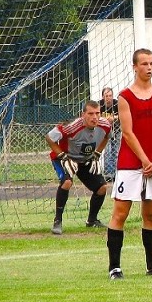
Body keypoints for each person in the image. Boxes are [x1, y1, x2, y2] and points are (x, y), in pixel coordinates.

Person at [106, 48, 152, 280]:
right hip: (131, 163)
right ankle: (114, 267)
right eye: (144, 64)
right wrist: (145, 160)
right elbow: (127, 132)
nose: (149, 67)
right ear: (135, 67)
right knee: (121, 212)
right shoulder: (125, 96)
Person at [45, 100, 111, 234]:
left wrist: (97, 153)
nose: (95, 117)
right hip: (65, 158)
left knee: (102, 187)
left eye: (97, 113)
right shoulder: (72, 127)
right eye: (91, 113)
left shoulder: (105, 125)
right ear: (83, 115)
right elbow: (49, 137)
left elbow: (106, 137)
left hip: (84, 160)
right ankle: (57, 221)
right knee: (67, 182)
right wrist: (63, 156)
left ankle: (92, 221)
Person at [99, 87, 120, 182]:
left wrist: (114, 118)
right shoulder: (99, 104)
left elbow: (123, 115)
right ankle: (108, 174)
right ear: (103, 97)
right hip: (104, 132)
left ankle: (116, 173)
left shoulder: (117, 103)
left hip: (116, 131)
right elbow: (96, 116)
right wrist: (104, 119)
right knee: (107, 152)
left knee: (116, 152)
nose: (108, 98)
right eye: (106, 96)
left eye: (110, 95)